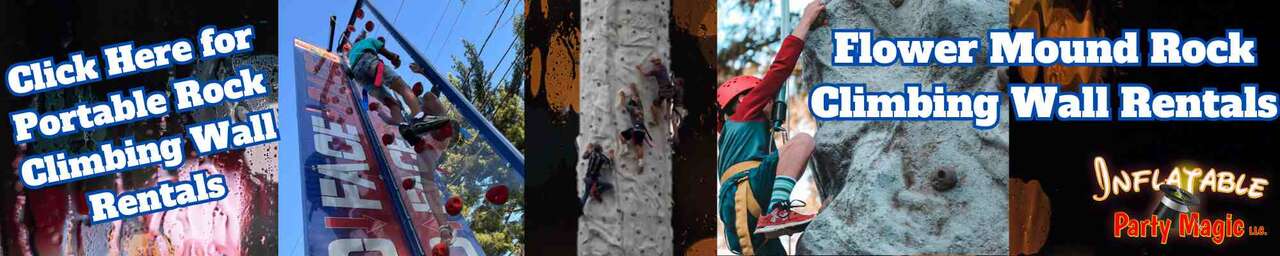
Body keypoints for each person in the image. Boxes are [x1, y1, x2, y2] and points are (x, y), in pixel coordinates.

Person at [717, 1, 823, 254]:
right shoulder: (744, 112)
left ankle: (775, 212)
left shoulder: (741, 134)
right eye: (762, 95)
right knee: (802, 142)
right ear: (742, 98)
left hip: (743, 209)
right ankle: (778, 210)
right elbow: (780, 69)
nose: (771, 99)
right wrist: (806, 21)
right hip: (746, 192)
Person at [346, 36, 450, 138]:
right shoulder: (369, 40)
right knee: (403, 88)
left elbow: (350, 69)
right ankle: (419, 118)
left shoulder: (351, 53)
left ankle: (404, 128)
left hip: (358, 74)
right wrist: (395, 58)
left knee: (391, 104)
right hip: (369, 62)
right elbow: (385, 52)